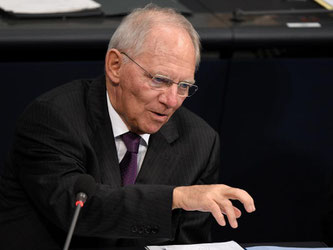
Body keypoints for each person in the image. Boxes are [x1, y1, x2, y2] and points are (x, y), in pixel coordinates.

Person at [0, 4, 255, 249]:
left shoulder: (199, 142)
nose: (171, 101)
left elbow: (188, 245)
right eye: (160, 80)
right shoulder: (54, 118)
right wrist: (176, 198)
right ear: (115, 66)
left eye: (184, 86)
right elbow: (77, 209)